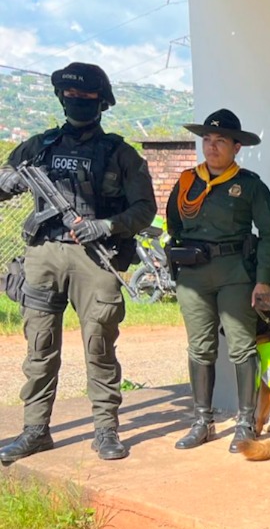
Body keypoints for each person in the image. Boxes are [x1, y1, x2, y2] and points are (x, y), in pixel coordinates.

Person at [0, 62, 157, 465]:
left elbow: (144, 211)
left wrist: (105, 225)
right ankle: (35, 431)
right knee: (39, 347)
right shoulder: (39, 145)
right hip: (43, 256)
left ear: (102, 103)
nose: (79, 104)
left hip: (95, 260)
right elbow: (2, 180)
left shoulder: (121, 154)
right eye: (72, 97)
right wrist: (10, 181)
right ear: (61, 98)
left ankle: (105, 430)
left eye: (88, 98)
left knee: (100, 346)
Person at [168, 109, 270, 453]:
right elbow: (174, 225)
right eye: (207, 139)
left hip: (235, 273)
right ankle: (202, 421)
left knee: (241, 347)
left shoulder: (250, 186)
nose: (211, 147)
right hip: (193, 276)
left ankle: (246, 423)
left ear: (237, 147)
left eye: (220, 141)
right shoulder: (187, 181)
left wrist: (263, 280)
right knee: (200, 347)